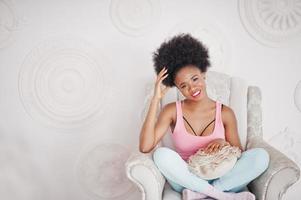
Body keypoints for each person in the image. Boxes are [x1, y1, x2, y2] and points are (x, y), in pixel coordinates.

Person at [139, 33, 269, 200]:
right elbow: (145, 147)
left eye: (195, 79)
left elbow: (239, 154)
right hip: (188, 178)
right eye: (184, 86)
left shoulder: (225, 112)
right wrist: (155, 99)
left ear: (203, 74)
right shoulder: (171, 111)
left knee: (261, 157)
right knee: (161, 155)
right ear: (178, 89)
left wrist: (223, 144)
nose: (192, 88)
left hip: (223, 176)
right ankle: (220, 195)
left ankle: (200, 194)